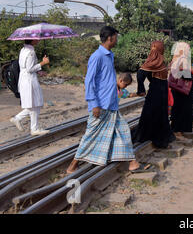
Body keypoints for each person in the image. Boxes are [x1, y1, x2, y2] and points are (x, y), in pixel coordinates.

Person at [67, 26, 143, 174]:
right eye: (116, 37)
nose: (117, 39)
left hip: (111, 103)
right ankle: (72, 165)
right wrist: (94, 103)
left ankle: (132, 162)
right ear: (110, 38)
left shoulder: (110, 55)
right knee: (91, 135)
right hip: (101, 105)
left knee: (123, 131)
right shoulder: (97, 56)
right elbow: (89, 81)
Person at [131, 41, 176, 148]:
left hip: (160, 93)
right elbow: (140, 73)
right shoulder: (153, 62)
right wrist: (141, 89)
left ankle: (158, 137)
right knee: (155, 114)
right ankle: (157, 139)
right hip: (156, 93)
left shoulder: (159, 61)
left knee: (158, 115)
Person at [10, 40, 50, 136]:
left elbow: (26, 67)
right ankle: (32, 127)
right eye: (37, 38)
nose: (38, 39)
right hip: (29, 81)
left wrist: (39, 71)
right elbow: (29, 69)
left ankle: (22, 121)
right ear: (32, 40)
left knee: (33, 105)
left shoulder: (23, 50)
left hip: (25, 80)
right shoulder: (31, 52)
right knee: (36, 104)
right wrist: (42, 63)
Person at [170, 42, 193, 140]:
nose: (188, 51)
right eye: (187, 49)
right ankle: (178, 131)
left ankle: (179, 130)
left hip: (178, 90)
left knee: (179, 109)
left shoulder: (175, 59)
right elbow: (185, 74)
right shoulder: (182, 59)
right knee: (182, 110)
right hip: (182, 91)